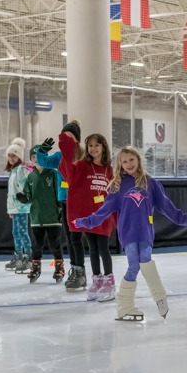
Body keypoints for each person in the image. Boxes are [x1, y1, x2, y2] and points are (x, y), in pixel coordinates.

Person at [75, 146, 187, 321]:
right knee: (134, 266)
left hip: (145, 232)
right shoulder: (117, 186)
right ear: (119, 164)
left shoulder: (150, 183)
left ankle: (159, 297)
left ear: (138, 160)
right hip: (127, 235)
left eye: (131, 160)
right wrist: (84, 221)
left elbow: (168, 208)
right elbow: (102, 213)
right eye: (124, 161)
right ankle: (125, 307)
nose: (128, 164)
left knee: (145, 259)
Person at [56, 123, 116, 300]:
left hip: (103, 215)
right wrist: (66, 144)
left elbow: (114, 191)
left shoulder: (109, 169)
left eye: (97, 145)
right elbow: (67, 169)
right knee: (93, 249)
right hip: (88, 217)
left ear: (103, 147)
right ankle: (97, 280)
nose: (93, 148)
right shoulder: (81, 165)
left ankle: (109, 282)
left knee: (103, 247)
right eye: (90, 145)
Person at [16, 149, 64, 284]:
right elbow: (28, 196)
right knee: (36, 245)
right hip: (37, 218)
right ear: (31, 159)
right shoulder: (31, 177)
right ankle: (35, 268)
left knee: (55, 244)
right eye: (33, 156)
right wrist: (23, 198)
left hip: (53, 217)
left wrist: (60, 210)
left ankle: (59, 268)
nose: (36, 158)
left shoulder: (53, 174)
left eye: (39, 156)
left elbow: (59, 193)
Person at [32, 138, 74, 287]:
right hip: (44, 212)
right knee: (38, 244)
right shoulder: (58, 157)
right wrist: (42, 151)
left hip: (66, 206)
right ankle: (36, 266)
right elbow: (43, 161)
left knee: (60, 241)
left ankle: (67, 267)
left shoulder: (80, 154)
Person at [4, 138, 32, 274]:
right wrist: (10, 208)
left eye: (13, 155)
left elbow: (23, 188)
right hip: (15, 208)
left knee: (22, 232)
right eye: (9, 155)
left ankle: (28, 258)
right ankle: (19, 256)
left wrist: (23, 201)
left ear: (19, 156)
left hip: (22, 207)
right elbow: (11, 192)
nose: (11, 158)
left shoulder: (21, 170)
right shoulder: (14, 170)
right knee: (16, 232)